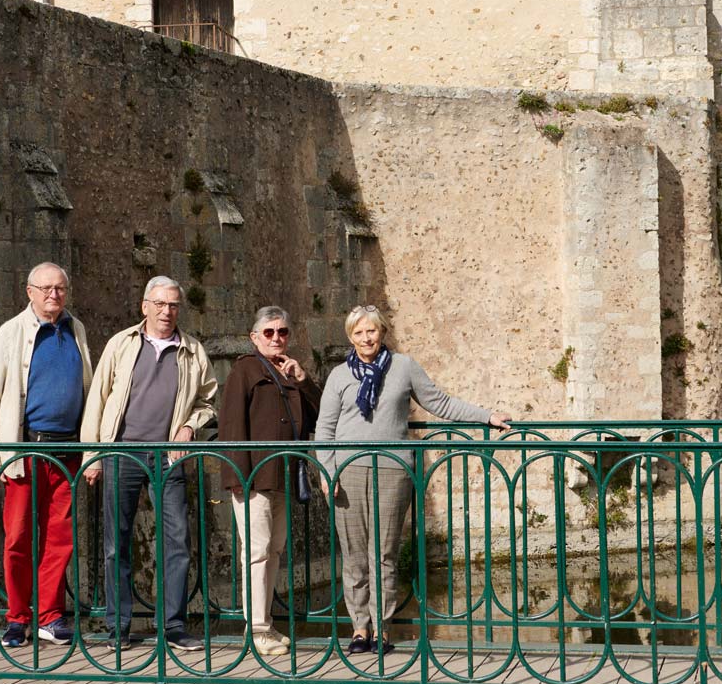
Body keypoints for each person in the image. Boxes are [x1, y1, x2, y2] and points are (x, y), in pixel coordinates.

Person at [314, 305, 510, 654]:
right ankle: (360, 627)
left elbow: (440, 402)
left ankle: (383, 629)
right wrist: (327, 473)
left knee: (384, 553)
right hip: (348, 473)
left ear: (382, 332)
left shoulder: (403, 367)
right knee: (355, 555)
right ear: (350, 337)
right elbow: (324, 430)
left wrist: (487, 415)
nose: (366, 338)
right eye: (358, 333)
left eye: (371, 331)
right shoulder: (339, 375)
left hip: (392, 470)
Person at [81, 276, 218, 650]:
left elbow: (208, 402)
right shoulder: (121, 345)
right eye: (159, 303)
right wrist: (92, 457)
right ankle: (118, 627)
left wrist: (190, 426)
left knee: (177, 541)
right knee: (116, 543)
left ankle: (172, 626)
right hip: (120, 453)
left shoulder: (192, 350)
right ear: (145, 306)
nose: (166, 311)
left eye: (173, 305)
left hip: (168, 457)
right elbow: (97, 400)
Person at [0, 262, 94, 649]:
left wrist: (92, 448)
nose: (53, 295)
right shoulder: (9, 334)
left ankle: (50, 617)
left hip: (67, 449)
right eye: (45, 289)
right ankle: (17, 617)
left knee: (60, 538)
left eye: (59, 288)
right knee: (18, 537)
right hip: (23, 451)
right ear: (29, 291)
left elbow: (89, 390)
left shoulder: (76, 330)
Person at [215, 306, 321, 658]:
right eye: (270, 332)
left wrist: (304, 379)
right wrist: (235, 477)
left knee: (274, 549)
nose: (277, 338)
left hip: (284, 474)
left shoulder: (290, 371)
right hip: (255, 477)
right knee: (257, 551)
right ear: (255, 337)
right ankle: (257, 630)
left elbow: (319, 414)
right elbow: (230, 425)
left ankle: (266, 622)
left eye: (283, 332)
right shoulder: (245, 370)